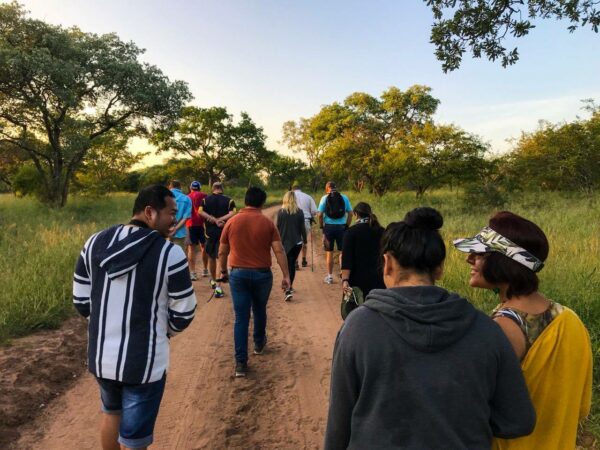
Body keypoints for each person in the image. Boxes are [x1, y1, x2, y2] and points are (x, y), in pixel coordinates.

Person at [324, 207, 536, 450]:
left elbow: (338, 426)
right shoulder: (486, 330)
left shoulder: (358, 327)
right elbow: (519, 421)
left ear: (387, 263)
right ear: (439, 268)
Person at [454, 211, 593, 450]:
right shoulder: (570, 319)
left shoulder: (501, 327)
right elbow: (581, 406)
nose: (469, 259)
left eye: (479, 253)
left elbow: (475, 409)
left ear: (504, 260)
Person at [73, 185, 197, 450]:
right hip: (145, 363)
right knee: (134, 439)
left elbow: (82, 302)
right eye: (170, 213)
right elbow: (184, 312)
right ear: (150, 212)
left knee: (111, 413)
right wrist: (163, 332)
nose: (174, 219)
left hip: (102, 359)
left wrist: (105, 324)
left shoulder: (93, 242)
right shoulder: (169, 253)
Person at [218, 187, 291, 377]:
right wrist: (286, 275)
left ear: (245, 201)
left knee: (241, 318)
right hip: (262, 275)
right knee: (259, 309)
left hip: (238, 275)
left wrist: (223, 272)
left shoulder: (231, 222)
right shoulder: (267, 223)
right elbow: (279, 250)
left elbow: (222, 251)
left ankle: (240, 363)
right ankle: (259, 343)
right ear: (262, 203)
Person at [341, 202, 385, 300]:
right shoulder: (382, 231)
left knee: (356, 311)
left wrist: (345, 280)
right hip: (379, 280)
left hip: (357, 282)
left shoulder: (350, 232)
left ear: (355, 214)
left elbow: (346, 259)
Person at [199, 182, 236, 298]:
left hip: (209, 233)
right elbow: (233, 213)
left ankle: (214, 280)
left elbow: (200, 211)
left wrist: (213, 219)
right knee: (222, 257)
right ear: (222, 189)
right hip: (223, 233)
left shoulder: (205, 200)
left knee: (211, 257)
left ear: (213, 189)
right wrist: (220, 220)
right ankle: (219, 287)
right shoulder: (229, 200)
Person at [318, 181, 352, 284]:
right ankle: (343, 275)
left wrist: (321, 227)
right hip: (341, 228)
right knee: (343, 252)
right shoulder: (344, 197)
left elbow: (319, 214)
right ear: (336, 188)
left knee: (329, 253)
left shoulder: (324, 198)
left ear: (327, 188)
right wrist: (346, 226)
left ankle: (329, 276)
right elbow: (350, 213)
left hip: (329, 228)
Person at [276, 191, 307, 300]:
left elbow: (277, 228)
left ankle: (288, 288)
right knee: (292, 264)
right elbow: (302, 228)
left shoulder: (280, 212)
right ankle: (290, 286)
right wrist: (305, 240)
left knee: (287, 265)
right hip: (297, 243)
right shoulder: (300, 212)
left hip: (284, 243)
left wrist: (276, 242)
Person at [185, 180, 208, 281]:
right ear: (199, 188)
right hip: (202, 224)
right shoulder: (205, 195)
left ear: (191, 188)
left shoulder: (187, 197)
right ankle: (205, 269)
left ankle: (193, 272)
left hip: (190, 224)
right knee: (204, 247)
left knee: (191, 249)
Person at [291, 182, 317, 268]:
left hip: (293, 220)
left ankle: (295, 261)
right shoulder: (308, 196)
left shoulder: (290, 196)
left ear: (292, 189)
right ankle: (304, 260)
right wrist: (311, 216)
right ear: (300, 189)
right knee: (304, 241)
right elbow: (314, 211)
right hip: (305, 221)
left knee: (295, 242)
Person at [168, 180, 192, 250]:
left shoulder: (163, 197)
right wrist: (175, 229)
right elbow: (185, 218)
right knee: (179, 257)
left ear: (170, 186)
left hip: (164, 232)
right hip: (180, 233)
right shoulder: (186, 198)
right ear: (180, 187)